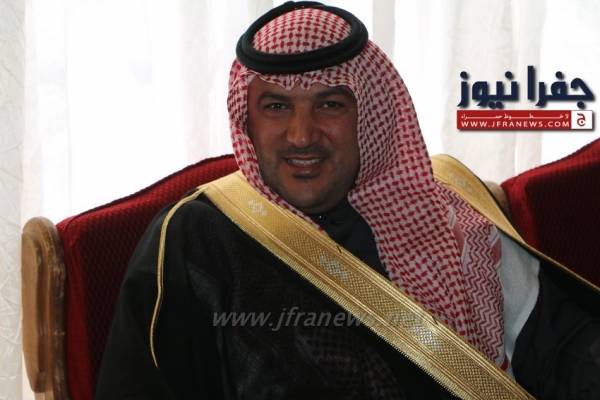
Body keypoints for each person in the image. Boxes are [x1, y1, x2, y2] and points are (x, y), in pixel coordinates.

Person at [96, 2, 600, 399]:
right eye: (276, 106)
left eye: (330, 104)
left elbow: (564, 348)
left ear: (370, 116)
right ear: (247, 120)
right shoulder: (196, 242)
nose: (301, 135)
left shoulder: (446, 213)